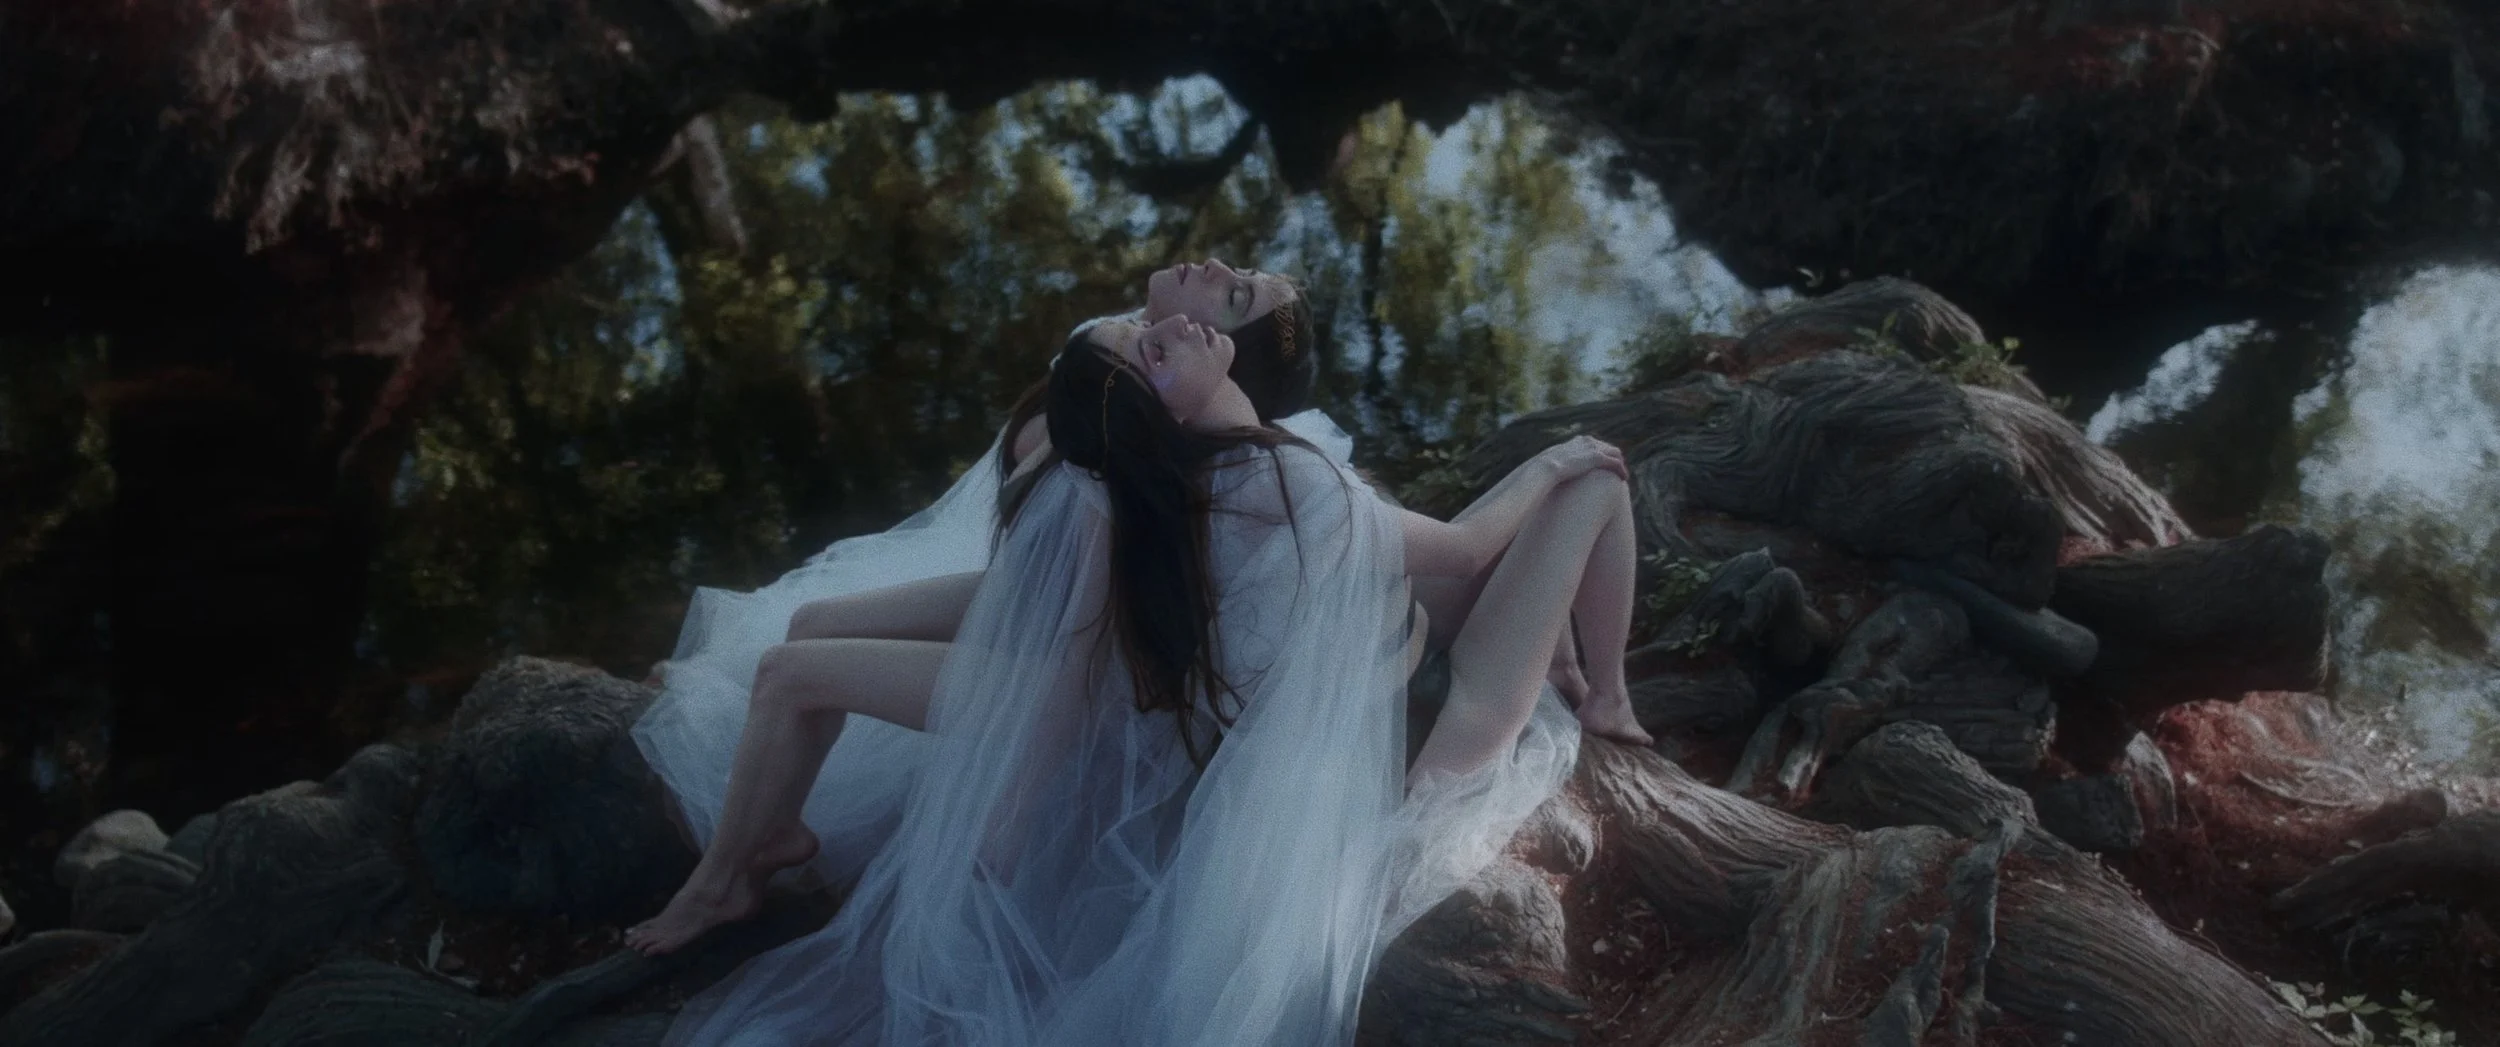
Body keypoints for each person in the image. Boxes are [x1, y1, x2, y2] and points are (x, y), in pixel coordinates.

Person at [628, 312, 1644, 1046]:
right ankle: (1605, 695)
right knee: (1594, 475)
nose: (1173, 327)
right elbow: (1464, 552)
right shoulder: (1287, 483)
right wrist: (1551, 464)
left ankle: (1588, 676)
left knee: (807, 650)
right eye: (1155, 340)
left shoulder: (1175, 479)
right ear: (1166, 396)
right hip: (1433, 733)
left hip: (1383, 690)